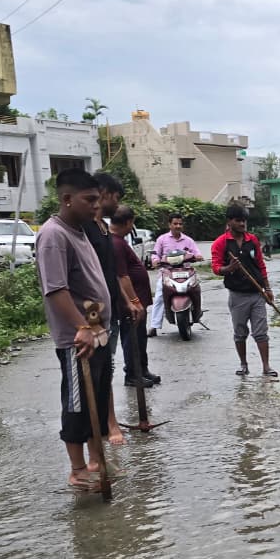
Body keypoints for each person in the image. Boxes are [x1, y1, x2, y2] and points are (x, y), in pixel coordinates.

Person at [34, 169, 114, 492]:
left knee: (98, 395)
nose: (96, 206)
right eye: (89, 200)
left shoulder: (79, 231)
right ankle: (78, 469)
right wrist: (81, 327)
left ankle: (98, 462)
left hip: (96, 332)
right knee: (77, 403)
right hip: (76, 339)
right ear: (67, 199)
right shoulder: (54, 235)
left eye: (97, 199)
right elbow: (55, 290)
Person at [85, 175, 149, 426]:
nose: (117, 204)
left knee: (107, 366)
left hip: (110, 306)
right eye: (117, 198)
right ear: (105, 194)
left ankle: (110, 421)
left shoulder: (103, 230)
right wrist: (90, 321)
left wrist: (128, 301)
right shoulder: (87, 230)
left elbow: (113, 275)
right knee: (96, 367)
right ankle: (100, 426)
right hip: (93, 310)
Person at [211, 204, 276, 378]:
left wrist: (267, 288)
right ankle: (244, 364)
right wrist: (229, 268)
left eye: (244, 220)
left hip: (257, 293)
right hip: (237, 295)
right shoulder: (221, 243)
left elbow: (260, 265)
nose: (242, 223)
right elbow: (216, 268)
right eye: (239, 220)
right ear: (230, 221)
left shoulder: (252, 240)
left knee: (261, 331)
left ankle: (266, 366)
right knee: (240, 332)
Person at [109, 205, 155, 384]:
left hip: (138, 300)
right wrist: (134, 301)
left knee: (140, 337)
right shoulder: (116, 243)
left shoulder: (119, 241)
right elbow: (122, 276)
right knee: (132, 338)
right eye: (132, 224)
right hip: (131, 303)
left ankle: (142, 369)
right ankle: (133, 374)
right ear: (128, 222)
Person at [150, 213, 203, 335]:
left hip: (186, 271)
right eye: (175, 223)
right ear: (170, 225)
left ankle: (197, 312)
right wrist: (155, 260)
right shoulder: (162, 239)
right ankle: (154, 326)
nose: (178, 226)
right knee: (159, 297)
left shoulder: (188, 240)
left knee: (196, 289)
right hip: (167, 272)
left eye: (180, 223)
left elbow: (196, 252)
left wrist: (198, 256)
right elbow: (155, 254)